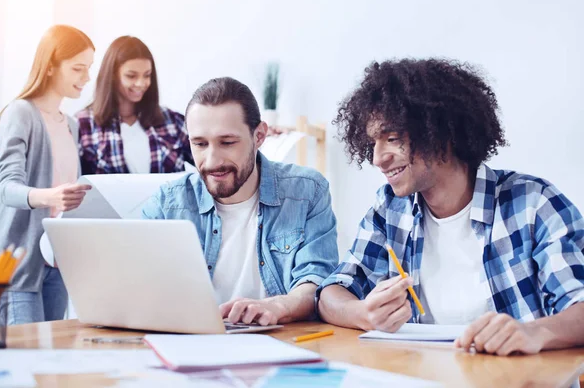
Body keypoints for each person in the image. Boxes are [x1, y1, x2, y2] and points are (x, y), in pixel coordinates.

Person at [317, 58, 584, 356]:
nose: (378, 158)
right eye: (373, 143)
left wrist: (532, 332)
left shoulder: (533, 203)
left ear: (441, 132)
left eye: (392, 138)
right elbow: (332, 292)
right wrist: (361, 312)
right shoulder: (390, 209)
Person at [142, 77, 338, 325]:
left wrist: (277, 306)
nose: (212, 160)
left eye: (227, 143)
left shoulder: (307, 191)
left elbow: (317, 282)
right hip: (193, 345)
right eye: (200, 144)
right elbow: (136, 285)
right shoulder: (166, 203)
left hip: (284, 343)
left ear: (259, 136)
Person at [0, 25, 95, 324]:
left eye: (88, 69)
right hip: (20, 264)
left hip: (58, 260)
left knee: (52, 358)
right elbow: (6, 188)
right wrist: (52, 196)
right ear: (50, 67)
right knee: (25, 360)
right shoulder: (20, 113)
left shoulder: (71, 124)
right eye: (78, 69)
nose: (86, 78)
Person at [77, 36, 194, 174]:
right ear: (113, 76)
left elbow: (209, 163)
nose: (141, 83)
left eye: (147, 75)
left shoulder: (173, 121)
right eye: (131, 76)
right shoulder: (84, 125)